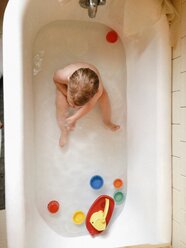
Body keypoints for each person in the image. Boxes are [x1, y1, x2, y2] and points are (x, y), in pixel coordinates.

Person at [53, 62, 120, 147]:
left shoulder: (98, 91)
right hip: (69, 87)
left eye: (77, 105)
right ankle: (64, 131)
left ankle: (107, 121)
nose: (73, 106)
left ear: (93, 95)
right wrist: (66, 93)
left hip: (92, 88)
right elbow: (56, 80)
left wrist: (74, 117)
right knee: (60, 105)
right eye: (72, 103)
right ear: (68, 80)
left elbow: (90, 105)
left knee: (104, 98)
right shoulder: (64, 75)